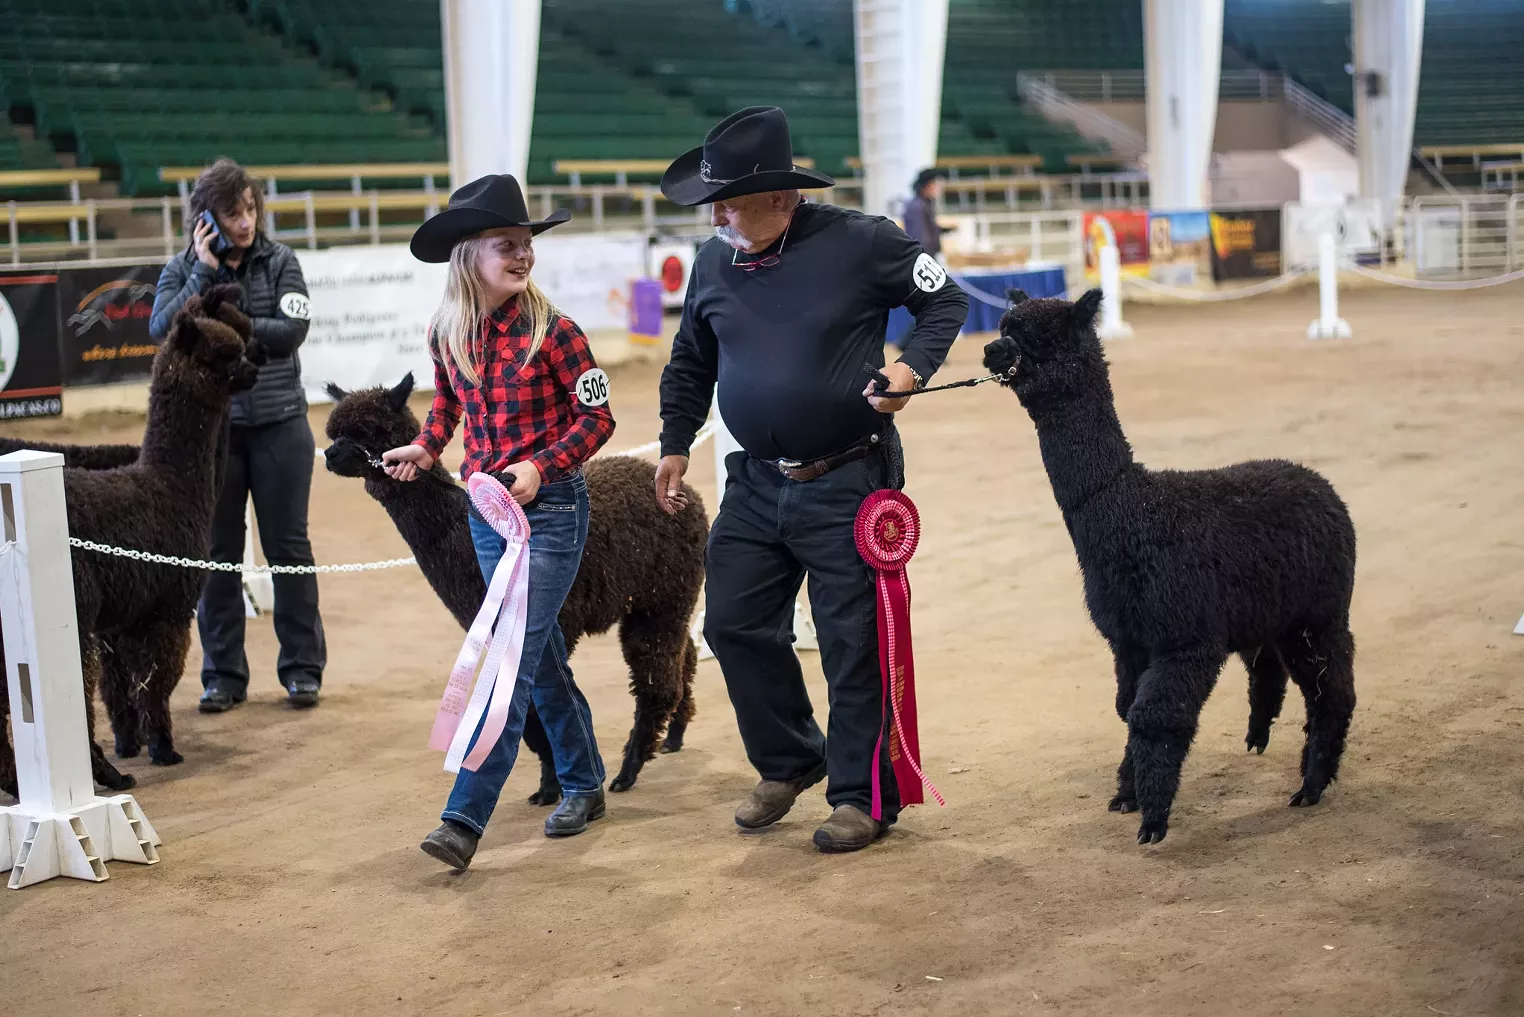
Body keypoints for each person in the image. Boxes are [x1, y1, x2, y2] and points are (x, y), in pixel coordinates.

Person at [653, 107, 969, 853]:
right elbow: (691, 359)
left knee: (848, 640)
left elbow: (944, 300)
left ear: (783, 198)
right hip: (754, 484)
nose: (717, 217)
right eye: (713, 204)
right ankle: (792, 757)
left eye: (729, 202)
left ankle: (863, 795)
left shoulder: (862, 242)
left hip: (846, 480)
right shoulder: (712, 261)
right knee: (732, 623)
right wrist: (674, 441)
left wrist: (907, 369)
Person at [380, 174, 616, 870]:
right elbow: (451, 407)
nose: (522, 256)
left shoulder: (559, 332)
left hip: (552, 511)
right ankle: (584, 779)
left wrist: (544, 466)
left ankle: (464, 816)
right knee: (536, 655)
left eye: (525, 244)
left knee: (510, 660)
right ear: (468, 255)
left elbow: (598, 417)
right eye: (505, 245)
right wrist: (427, 446)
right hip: (490, 515)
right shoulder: (446, 331)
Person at [149, 157, 326, 712]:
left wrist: (223, 328)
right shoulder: (183, 269)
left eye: (251, 208)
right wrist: (203, 277)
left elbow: (292, 330)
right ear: (206, 219)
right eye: (232, 212)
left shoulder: (282, 261)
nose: (246, 221)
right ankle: (223, 675)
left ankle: (302, 669)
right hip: (212, 439)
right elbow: (162, 330)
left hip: (280, 427)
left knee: (288, 548)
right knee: (216, 554)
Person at [901, 167, 952, 261]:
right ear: (928, 185)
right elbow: (919, 237)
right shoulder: (917, 207)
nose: (939, 189)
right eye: (936, 185)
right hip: (923, 259)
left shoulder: (925, 204)